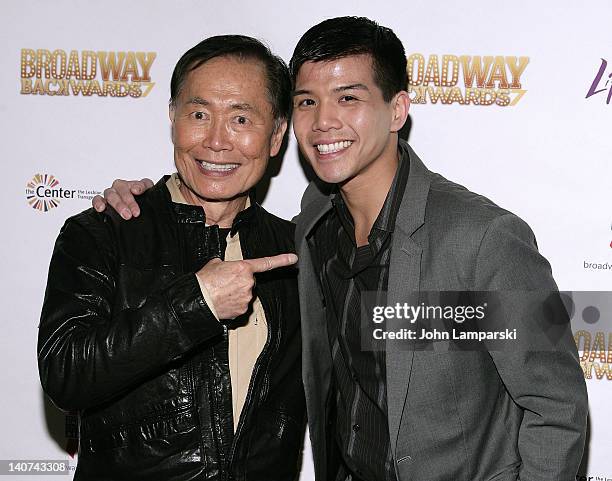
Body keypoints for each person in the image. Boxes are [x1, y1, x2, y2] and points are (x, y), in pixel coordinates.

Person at [93, 17, 588, 481]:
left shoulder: (483, 237)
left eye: (348, 98)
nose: (324, 122)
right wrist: (147, 202)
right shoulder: (313, 225)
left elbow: (557, 406)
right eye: (307, 101)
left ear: (397, 109)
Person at [39, 35, 305, 481]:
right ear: (172, 118)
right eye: (198, 114)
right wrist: (194, 304)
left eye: (241, 118)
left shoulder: (297, 252)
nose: (217, 141)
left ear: (277, 134)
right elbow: (65, 373)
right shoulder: (103, 231)